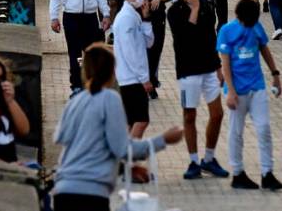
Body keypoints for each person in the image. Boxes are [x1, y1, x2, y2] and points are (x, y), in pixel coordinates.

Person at [53, 43, 184, 211]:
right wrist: (164, 139)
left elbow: (66, 140)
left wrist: (123, 169)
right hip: (90, 192)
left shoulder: (76, 101)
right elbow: (123, 148)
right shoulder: (110, 98)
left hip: (63, 189)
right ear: (113, 70)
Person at [167, 0, 229, 180]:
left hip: (209, 68)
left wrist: (219, 67)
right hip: (188, 70)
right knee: (189, 114)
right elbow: (185, 39)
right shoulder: (174, 11)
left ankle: (209, 159)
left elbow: (210, 38)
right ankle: (193, 161)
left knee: (218, 114)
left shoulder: (207, 7)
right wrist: (193, 10)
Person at [218, 0, 282, 191]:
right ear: (239, 16)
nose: (250, 25)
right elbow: (225, 64)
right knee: (236, 132)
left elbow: (264, 48)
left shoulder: (256, 26)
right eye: (248, 21)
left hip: (257, 86)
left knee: (264, 128)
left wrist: (275, 74)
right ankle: (238, 173)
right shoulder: (226, 31)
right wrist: (230, 91)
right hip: (237, 90)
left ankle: (267, 173)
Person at [126, 0, 173, 100]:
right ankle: (139, 83)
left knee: (154, 51)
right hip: (137, 17)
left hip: (157, 16)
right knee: (138, 51)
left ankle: (151, 82)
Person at [112, 0, 155, 138]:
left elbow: (148, 42)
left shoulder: (134, 16)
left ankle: (125, 157)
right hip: (131, 78)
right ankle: (128, 156)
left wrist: (146, 19)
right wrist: (144, 78)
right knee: (141, 120)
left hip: (134, 77)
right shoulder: (125, 18)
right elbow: (130, 52)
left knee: (132, 122)